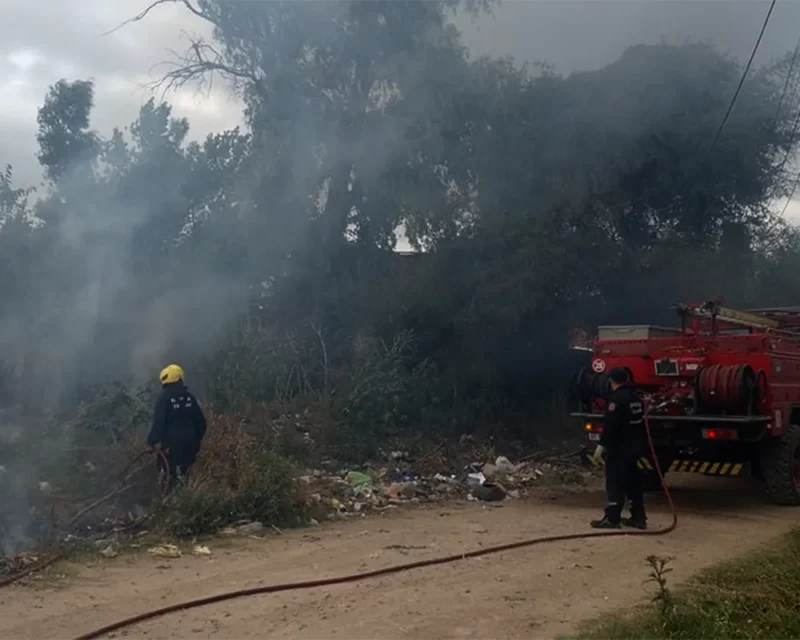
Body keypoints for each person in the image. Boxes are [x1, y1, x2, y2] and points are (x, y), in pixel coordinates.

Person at [590, 367, 647, 530]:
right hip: (634, 447)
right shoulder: (635, 397)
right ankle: (638, 518)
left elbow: (611, 426)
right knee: (633, 482)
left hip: (619, 448)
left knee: (615, 481)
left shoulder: (616, 399)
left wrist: (601, 445)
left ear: (611, 381)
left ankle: (613, 518)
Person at [147, 364, 207, 491]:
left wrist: (152, 441)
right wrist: (196, 441)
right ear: (180, 378)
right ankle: (188, 494)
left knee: (167, 472)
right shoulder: (190, 397)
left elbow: (159, 422)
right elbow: (201, 423)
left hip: (170, 446)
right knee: (186, 471)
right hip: (190, 444)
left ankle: (170, 497)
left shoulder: (163, 398)